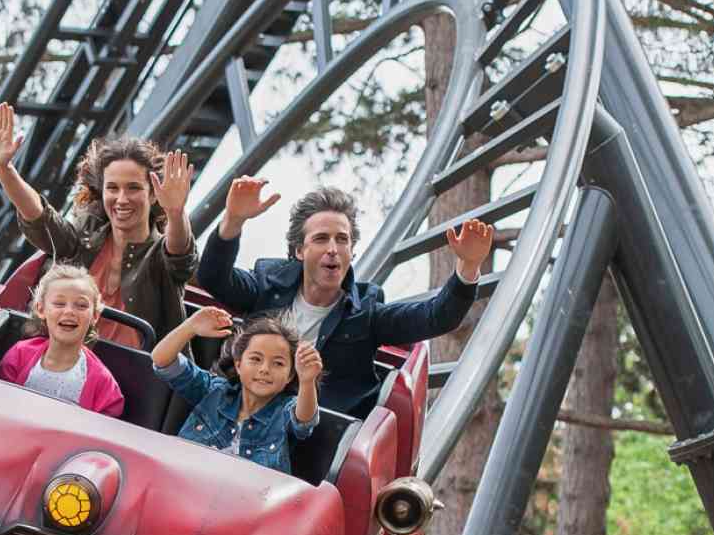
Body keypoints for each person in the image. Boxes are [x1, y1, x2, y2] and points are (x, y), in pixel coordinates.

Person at [196, 177, 493, 416]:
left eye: (342, 240)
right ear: (299, 250)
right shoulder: (267, 282)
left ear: (352, 251)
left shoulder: (366, 311)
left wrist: (467, 268)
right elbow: (214, 277)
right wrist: (233, 221)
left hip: (315, 437)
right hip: (239, 411)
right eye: (321, 239)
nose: (332, 249)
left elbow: (436, 316)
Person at [0, 103, 196, 347]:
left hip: (132, 375)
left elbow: (181, 255)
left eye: (134, 188)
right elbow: (41, 218)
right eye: (112, 188)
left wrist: (175, 212)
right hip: (62, 357)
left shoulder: (161, 254)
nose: (121, 199)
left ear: (152, 195)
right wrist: (4, 168)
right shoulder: (85, 237)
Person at [151, 306, 321, 474]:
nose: (265, 369)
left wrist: (307, 381)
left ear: (290, 376)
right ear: (239, 365)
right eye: (256, 359)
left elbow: (304, 421)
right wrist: (190, 327)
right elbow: (162, 360)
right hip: (186, 482)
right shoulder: (214, 390)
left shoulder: (284, 411)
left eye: (278, 363)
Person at [0, 264, 124, 417]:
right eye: (59, 303)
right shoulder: (20, 354)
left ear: (95, 316)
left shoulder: (103, 383)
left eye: (81, 305)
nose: (69, 311)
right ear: (41, 309)